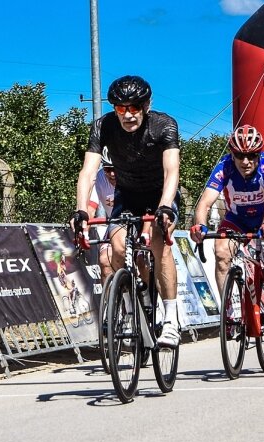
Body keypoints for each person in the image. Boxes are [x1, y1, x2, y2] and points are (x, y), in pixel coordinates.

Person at [73, 75, 182, 348]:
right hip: (128, 193)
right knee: (117, 248)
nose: (128, 114)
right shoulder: (103, 126)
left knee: (159, 241)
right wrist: (80, 211)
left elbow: (172, 171)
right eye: (121, 108)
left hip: (160, 193)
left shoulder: (164, 125)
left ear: (146, 105)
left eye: (135, 107)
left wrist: (166, 205)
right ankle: (140, 298)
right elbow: (88, 172)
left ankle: (170, 319)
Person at [189, 124, 264, 334]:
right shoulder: (224, 167)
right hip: (237, 218)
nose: (245, 162)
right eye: (239, 155)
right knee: (221, 252)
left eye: (252, 156)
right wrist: (200, 224)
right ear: (231, 154)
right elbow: (204, 203)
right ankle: (227, 310)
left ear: (259, 154)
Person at [87, 147, 117, 280]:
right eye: (107, 169)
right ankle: (109, 300)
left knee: (141, 261)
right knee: (105, 261)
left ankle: (146, 299)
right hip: (116, 222)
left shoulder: (132, 175)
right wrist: (84, 230)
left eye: (115, 168)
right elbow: (90, 208)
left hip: (138, 221)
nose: (112, 174)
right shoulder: (99, 178)